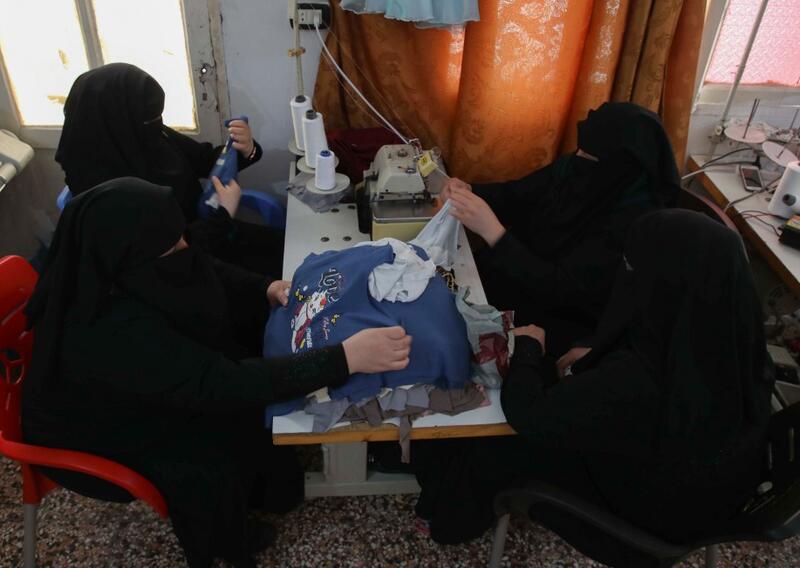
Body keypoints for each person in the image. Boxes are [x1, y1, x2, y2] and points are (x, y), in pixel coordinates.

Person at [22, 177, 412, 568]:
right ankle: (224, 545)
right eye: (172, 247)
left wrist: (266, 287)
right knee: (211, 451)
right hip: (103, 430)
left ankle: (262, 490)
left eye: (181, 238)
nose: (184, 249)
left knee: (243, 367)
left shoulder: (108, 270)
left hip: (141, 384)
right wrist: (345, 357)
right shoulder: (108, 334)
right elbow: (224, 382)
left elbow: (203, 264)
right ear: (128, 259)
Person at [412, 209, 774, 567]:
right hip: (709, 501)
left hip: (643, 529)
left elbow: (527, 413)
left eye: (634, 268)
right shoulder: (735, 341)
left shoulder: (634, 383)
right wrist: (600, 348)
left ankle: (444, 519)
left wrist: (528, 346)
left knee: (499, 437)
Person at [441, 102, 680, 359]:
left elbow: (563, 289)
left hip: (557, 317)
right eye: (580, 150)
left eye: (590, 158)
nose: (579, 158)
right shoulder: (576, 167)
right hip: (519, 276)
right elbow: (517, 195)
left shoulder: (635, 225)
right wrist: (468, 192)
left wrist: (495, 235)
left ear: (621, 167)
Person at [55, 62, 282, 276]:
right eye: (148, 118)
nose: (157, 124)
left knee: (291, 250)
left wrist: (244, 148)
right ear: (120, 119)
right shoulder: (106, 196)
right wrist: (223, 214)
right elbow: (168, 257)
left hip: (211, 233)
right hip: (186, 270)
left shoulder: (148, 134)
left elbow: (205, 160)